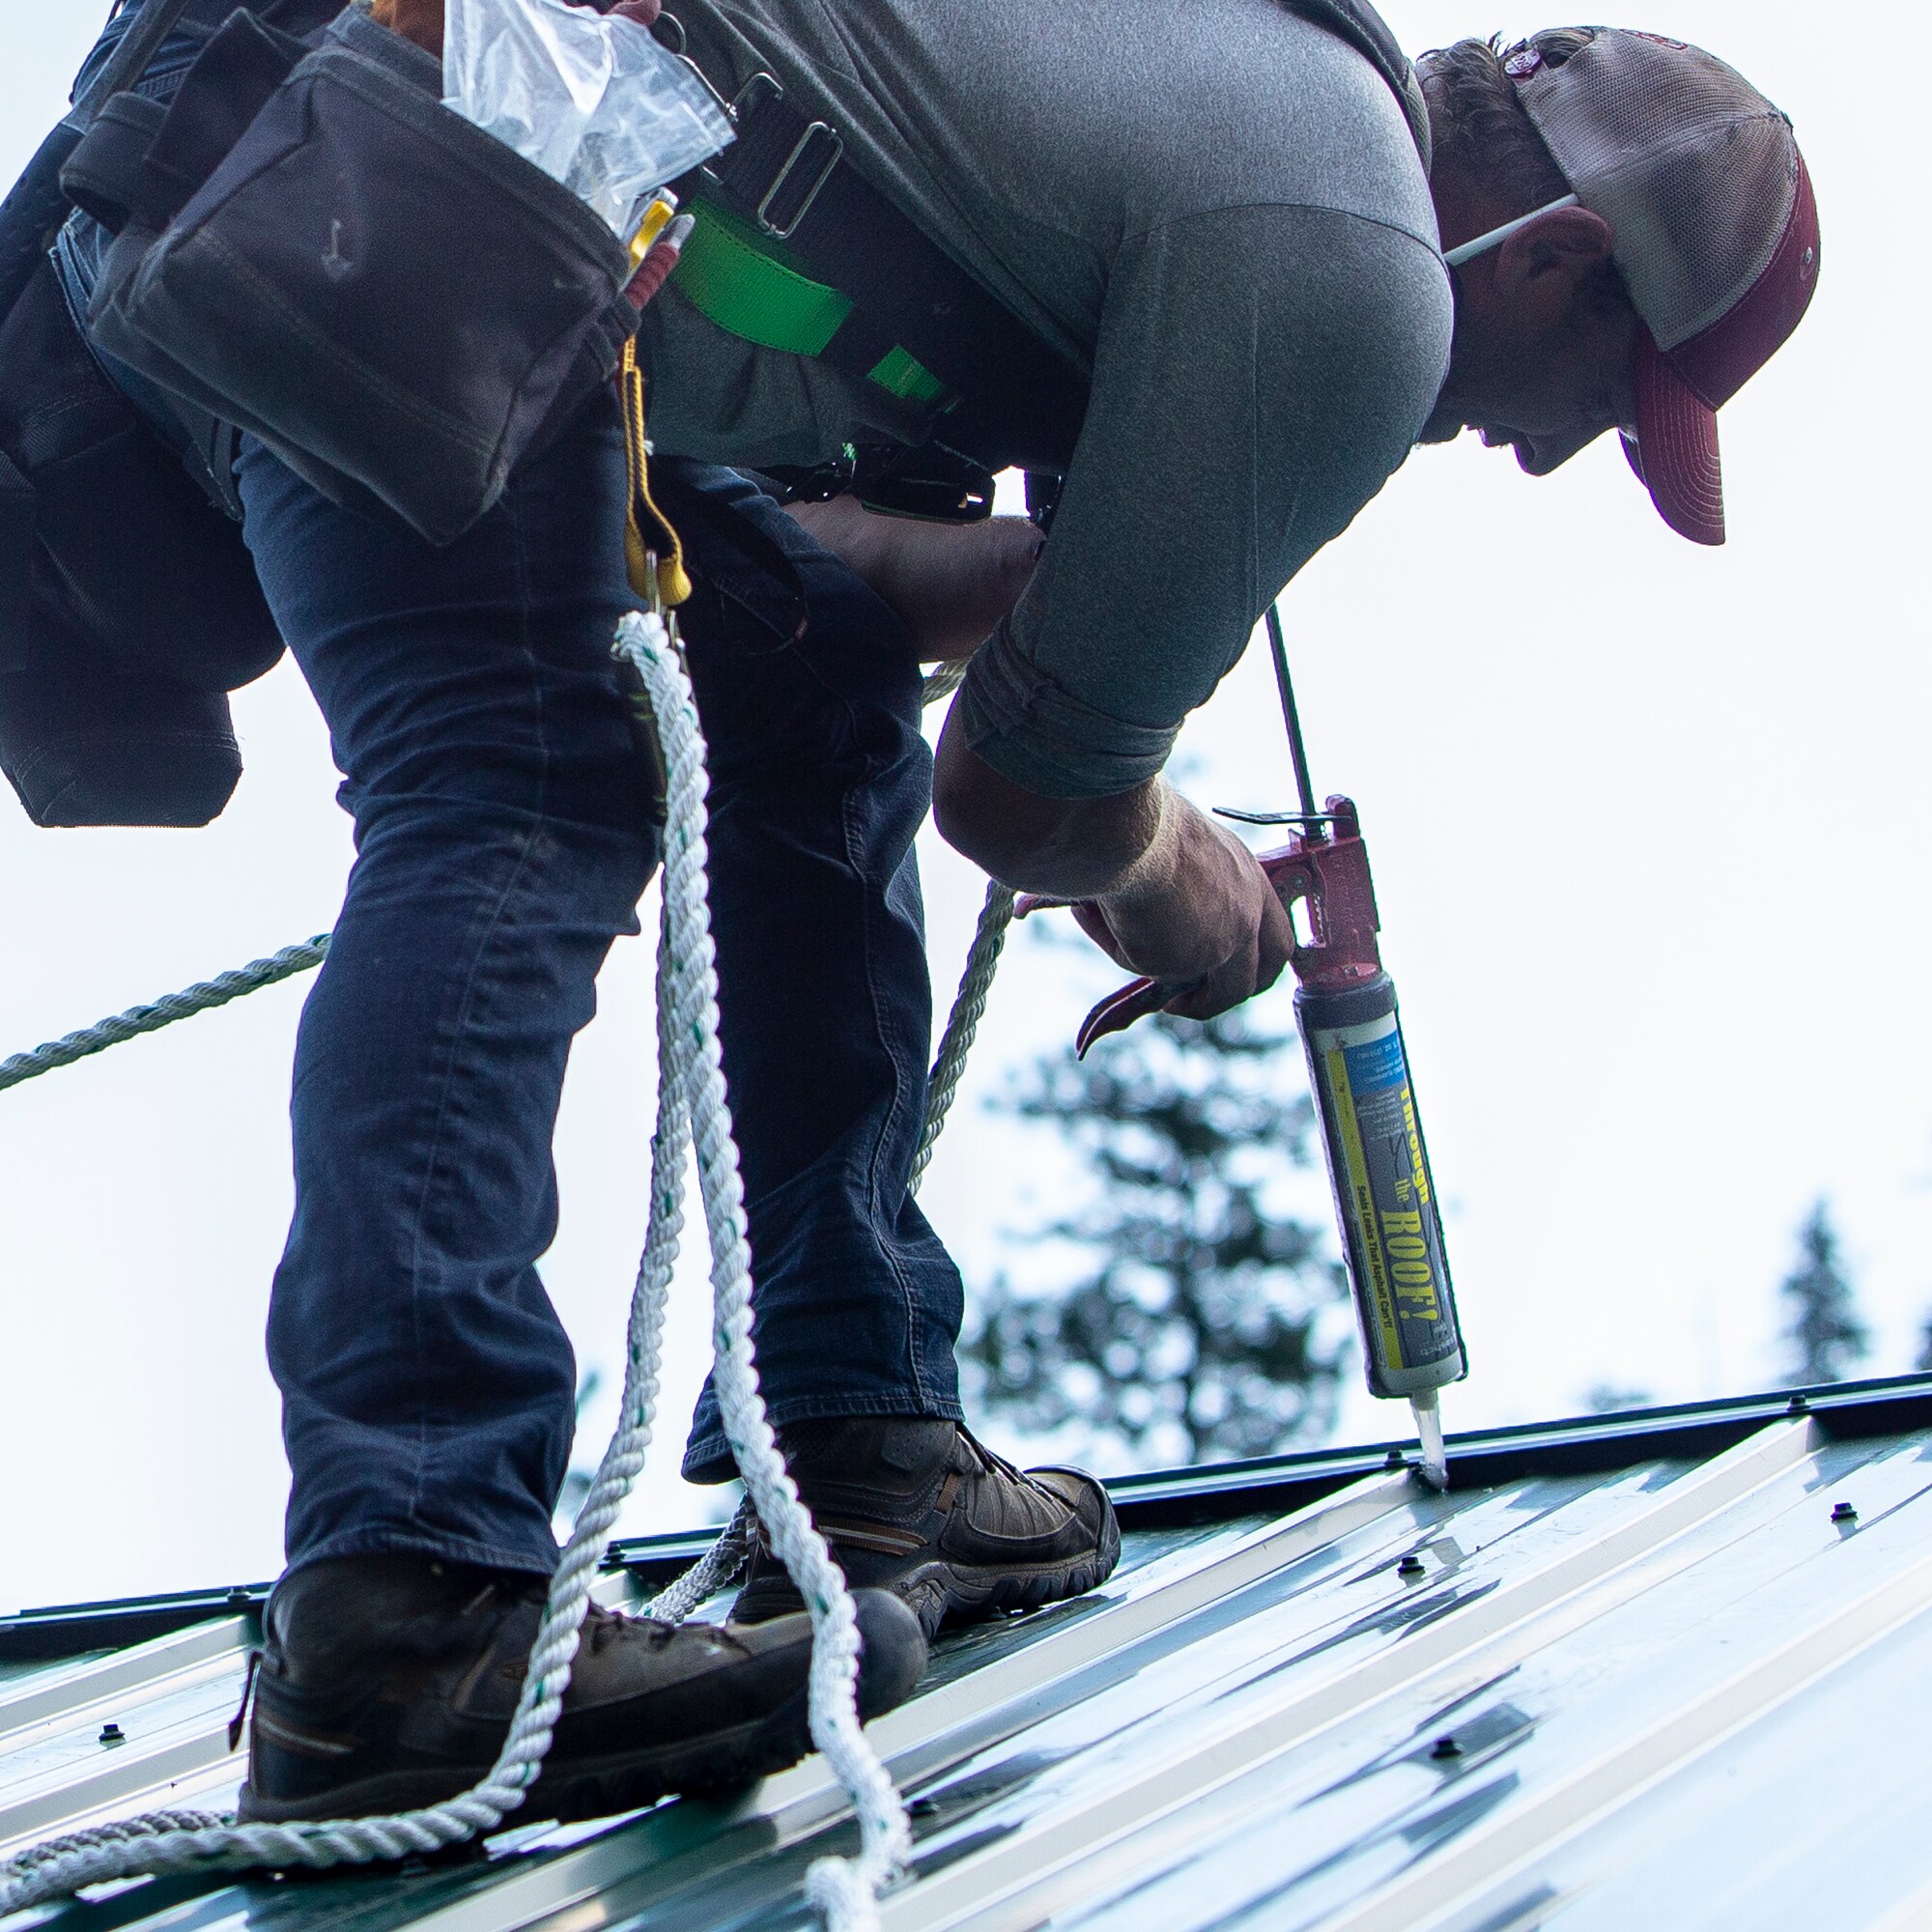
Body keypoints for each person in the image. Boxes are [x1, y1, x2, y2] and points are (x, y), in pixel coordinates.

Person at [31, 0, 1817, 1822]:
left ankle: (858, 1435)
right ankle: (409, 1606)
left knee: (802, 680)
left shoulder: (1189, 110)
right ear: (1564, 256)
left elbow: (841, 567)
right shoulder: (1362, 264)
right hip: (401, 124)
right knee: (523, 776)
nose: (1542, 455)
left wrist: (1076, 584)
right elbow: (1023, 802)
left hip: (316, 122)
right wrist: (1166, 869)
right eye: (1611, 404)